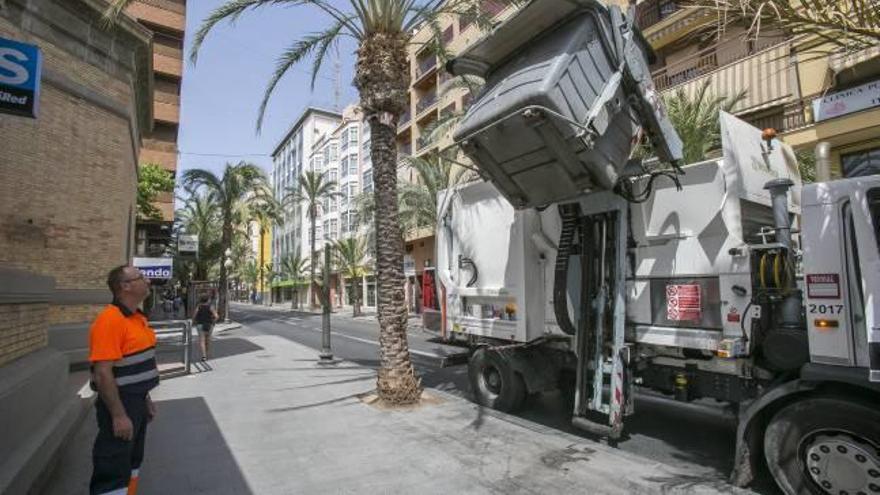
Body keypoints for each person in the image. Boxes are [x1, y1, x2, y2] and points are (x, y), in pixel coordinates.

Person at [88, 265, 159, 495]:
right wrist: (118, 415)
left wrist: (145, 397)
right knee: (113, 469)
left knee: (132, 463)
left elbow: (130, 368)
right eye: (141, 277)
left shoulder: (137, 318)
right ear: (125, 286)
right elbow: (102, 373)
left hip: (135, 402)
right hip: (120, 405)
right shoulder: (110, 319)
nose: (147, 280)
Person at [192, 295, 218, 361]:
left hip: (200, 324)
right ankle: (207, 354)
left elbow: (194, 316)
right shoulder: (211, 307)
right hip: (209, 325)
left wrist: (193, 322)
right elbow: (216, 316)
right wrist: (213, 323)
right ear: (208, 300)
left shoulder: (199, 307)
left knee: (202, 340)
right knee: (208, 339)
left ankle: (204, 356)